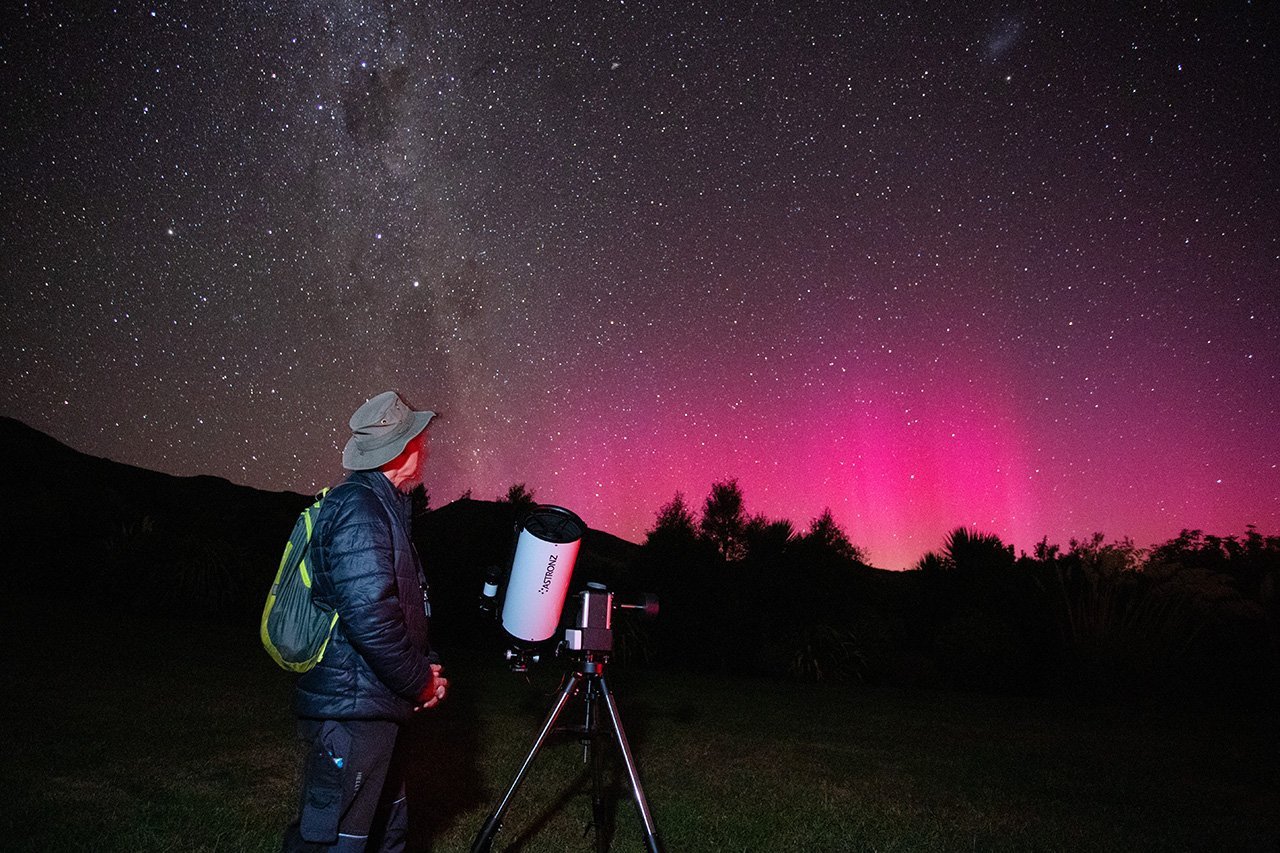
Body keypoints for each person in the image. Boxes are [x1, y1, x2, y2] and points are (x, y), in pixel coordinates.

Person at [282, 391, 449, 852]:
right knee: (335, 840)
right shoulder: (361, 509)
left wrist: (427, 665)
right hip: (354, 708)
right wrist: (419, 682)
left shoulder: (383, 507)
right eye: (419, 439)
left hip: (374, 700)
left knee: (382, 832)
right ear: (401, 450)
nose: (427, 448)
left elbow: (402, 605)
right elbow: (370, 618)